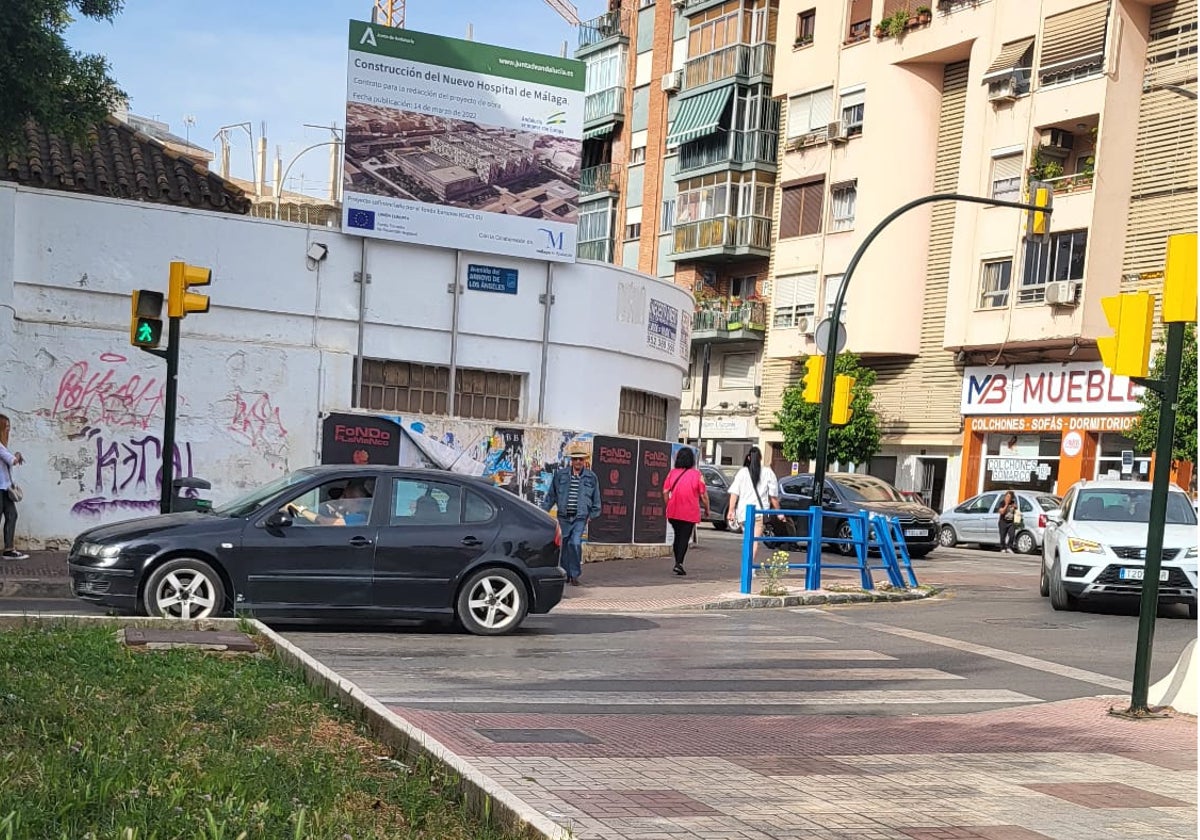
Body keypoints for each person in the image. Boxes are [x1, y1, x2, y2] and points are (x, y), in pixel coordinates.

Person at [541, 444, 601, 586]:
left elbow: (596, 498)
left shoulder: (591, 477)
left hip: (580, 517)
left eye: (580, 459)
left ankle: (574, 574)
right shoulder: (560, 475)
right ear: (571, 461)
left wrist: (592, 514)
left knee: (575, 543)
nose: (578, 462)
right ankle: (565, 573)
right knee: (565, 545)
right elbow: (551, 495)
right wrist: (543, 511)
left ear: (584, 460)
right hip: (564, 517)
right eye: (575, 459)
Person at [726, 447, 780, 563]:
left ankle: (747, 564)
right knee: (754, 541)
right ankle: (750, 566)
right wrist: (779, 512)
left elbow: (734, 493)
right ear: (760, 458)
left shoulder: (742, 472)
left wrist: (731, 510)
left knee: (747, 539)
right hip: (759, 513)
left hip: (743, 513)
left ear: (749, 458)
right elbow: (773, 496)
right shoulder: (768, 472)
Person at [663, 447, 709, 576]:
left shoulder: (672, 473)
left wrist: (669, 505)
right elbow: (704, 495)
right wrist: (707, 509)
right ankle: (679, 563)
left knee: (678, 536)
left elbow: (665, 492)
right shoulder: (697, 475)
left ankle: (677, 562)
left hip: (674, 511)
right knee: (684, 537)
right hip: (689, 512)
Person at [288, 480, 374, 527]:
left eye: (345, 496)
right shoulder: (360, 513)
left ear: (356, 501)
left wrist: (301, 510)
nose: (341, 499)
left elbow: (325, 522)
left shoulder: (360, 517)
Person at [0, 414, 26, 560]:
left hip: (5, 488)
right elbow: (12, 461)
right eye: (7, 426)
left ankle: (9, 549)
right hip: (0, 488)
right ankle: (8, 549)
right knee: (9, 515)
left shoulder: (2, 446)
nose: (9, 430)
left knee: (12, 515)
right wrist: (16, 456)